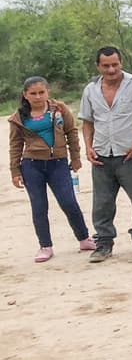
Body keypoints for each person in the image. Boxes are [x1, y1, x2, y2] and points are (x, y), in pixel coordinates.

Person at [78, 46, 132, 262]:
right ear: (98, 66)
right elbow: (87, 121)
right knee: (102, 203)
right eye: (106, 65)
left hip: (129, 155)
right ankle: (104, 244)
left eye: (115, 64)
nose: (111, 69)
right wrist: (88, 147)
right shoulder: (90, 90)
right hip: (101, 156)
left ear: (121, 63)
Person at [9, 76, 95, 263]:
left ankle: (84, 238)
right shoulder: (19, 117)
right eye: (33, 93)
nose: (38, 97)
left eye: (41, 92)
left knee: (68, 201)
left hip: (58, 162)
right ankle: (45, 245)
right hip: (32, 165)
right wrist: (15, 171)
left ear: (48, 92)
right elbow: (15, 145)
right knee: (39, 206)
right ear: (25, 95)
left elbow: (71, 132)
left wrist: (75, 157)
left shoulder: (59, 109)